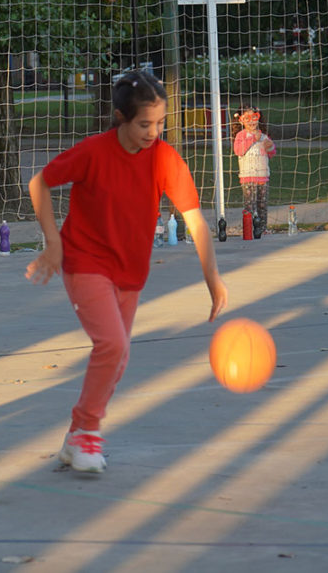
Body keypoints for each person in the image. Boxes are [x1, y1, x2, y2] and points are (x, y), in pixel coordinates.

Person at [26, 70, 228, 475]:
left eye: (160, 123)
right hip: (85, 262)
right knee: (113, 346)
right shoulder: (93, 152)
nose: (153, 132)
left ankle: (74, 437)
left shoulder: (165, 159)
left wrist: (213, 279)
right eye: (144, 124)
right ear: (121, 117)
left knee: (117, 358)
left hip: (130, 272)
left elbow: (196, 221)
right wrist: (53, 243)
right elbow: (40, 183)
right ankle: (87, 432)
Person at [231, 105, 275, 235]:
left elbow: (272, 153)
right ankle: (249, 229)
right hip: (247, 177)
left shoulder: (263, 136)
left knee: (262, 205)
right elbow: (238, 150)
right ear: (241, 120)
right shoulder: (241, 135)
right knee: (250, 205)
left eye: (254, 117)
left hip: (263, 176)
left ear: (258, 118)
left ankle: (262, 228)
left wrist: (270, 147)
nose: (251, 121)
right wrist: (252, 139)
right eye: (247, 118)